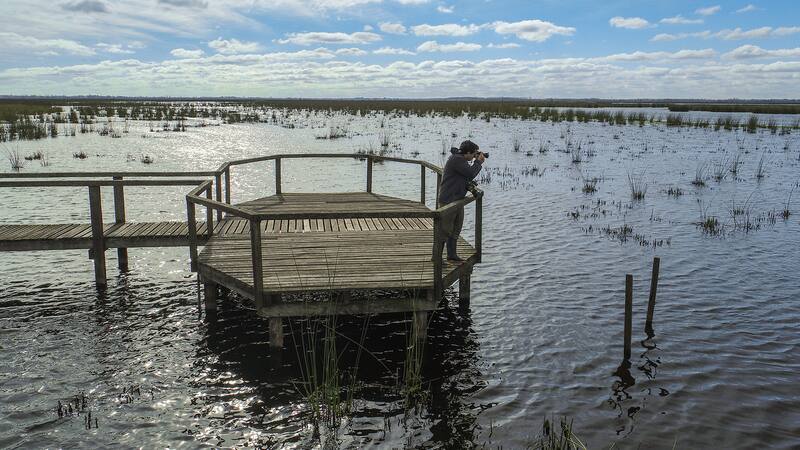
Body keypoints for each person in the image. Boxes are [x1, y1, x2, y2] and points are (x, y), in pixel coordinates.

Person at [437, 140, 485, 262]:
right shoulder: (457, 159)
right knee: (444, 231)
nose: (474, 157)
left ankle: (451, 255)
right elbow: (470, 173)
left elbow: (464, 176)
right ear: (467, 152)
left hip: (457, 200)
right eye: (473, 154)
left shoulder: (460, 159)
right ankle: (436, 258)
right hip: (448, 201)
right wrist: (478, 162)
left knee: (455, 229)